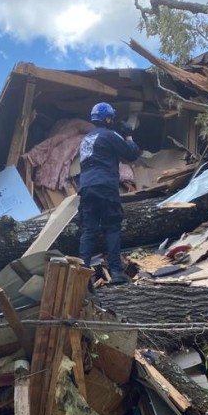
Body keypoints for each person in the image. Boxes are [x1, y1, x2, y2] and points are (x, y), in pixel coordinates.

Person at [78, 102, 140, 284]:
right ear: (107, 118)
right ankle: (116, 272)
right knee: (112, 226)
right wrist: (128, 135)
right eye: (111, 117)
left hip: (86, 187)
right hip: (105, 185)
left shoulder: (86, 139)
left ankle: (82, 275)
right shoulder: (110, 135)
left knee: (88, 229)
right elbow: (132, 154)